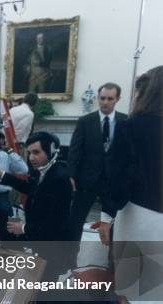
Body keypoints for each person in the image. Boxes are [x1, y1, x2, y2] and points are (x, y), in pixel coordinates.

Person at [0, 132, 116, 304]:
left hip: (55, 246)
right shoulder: (47, 172)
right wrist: (1, 173)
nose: (32, 157)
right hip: (42, 236)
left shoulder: (59, 179)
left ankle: (98, 300)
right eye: (30, 153)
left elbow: (54, 226)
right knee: (5, 231)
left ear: (51, 151)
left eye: (37, 152)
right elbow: (30, 187)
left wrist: (23, 228)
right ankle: (23, 271)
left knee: (38, 296)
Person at [99, 66, 163, 304]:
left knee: (129, 281)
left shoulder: (132, 126)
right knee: (154, 292)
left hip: (138, 215)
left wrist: (106, 215)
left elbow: (118, 177)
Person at [68, 83, 127, 242]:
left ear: (117, 99)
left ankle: (110, 260)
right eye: (102, 98)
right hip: (87, 180)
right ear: (98, 98)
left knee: (114, 223)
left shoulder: (125, 121)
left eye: (110, 99)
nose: (105, 102)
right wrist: (71, 174)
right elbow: (75, 149)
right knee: (75, 221)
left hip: (113, 182)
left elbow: (128, 153)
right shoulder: (85, 121)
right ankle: (68, 259)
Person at [0, 130, 28, 241]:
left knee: (6, 214)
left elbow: (24, 169)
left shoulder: (6, 155)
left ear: (2, 141)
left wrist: (10, 151)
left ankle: (6, 243)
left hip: (0, 193)